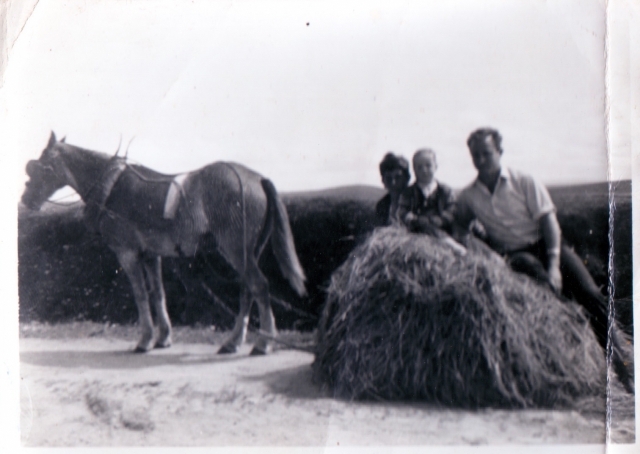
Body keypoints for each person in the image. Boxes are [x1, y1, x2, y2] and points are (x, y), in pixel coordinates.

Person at [454, 127, 634, 393]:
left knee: (589, 294)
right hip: (516, 254)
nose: (481, 160)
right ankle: (577, 362)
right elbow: (459, 228)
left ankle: (623, 366)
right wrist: (479, 247)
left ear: (500, 152)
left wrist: (554, 265)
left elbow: (549, 222)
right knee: (552, 295)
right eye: (475, 155)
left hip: (548, 245)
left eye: (487, 153)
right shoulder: (468, 196)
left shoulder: (523, 181)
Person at [397, 148, 456, 236]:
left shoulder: (445, 191)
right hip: (416, 232)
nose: (424, 170)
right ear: (414, 170)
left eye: (428, 165)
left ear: (435, 166)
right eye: (419, 167)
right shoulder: (408, 192)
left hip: (443, 230)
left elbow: (452, 210)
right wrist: (412, 219)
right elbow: (403, 212)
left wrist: (441, 220)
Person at [375, 152, 411, 226]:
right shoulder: (382, 205)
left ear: (407, 178)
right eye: (388, 178)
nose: (393, 182)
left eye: (398, 177)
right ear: (383, 181)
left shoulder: (416, 201)